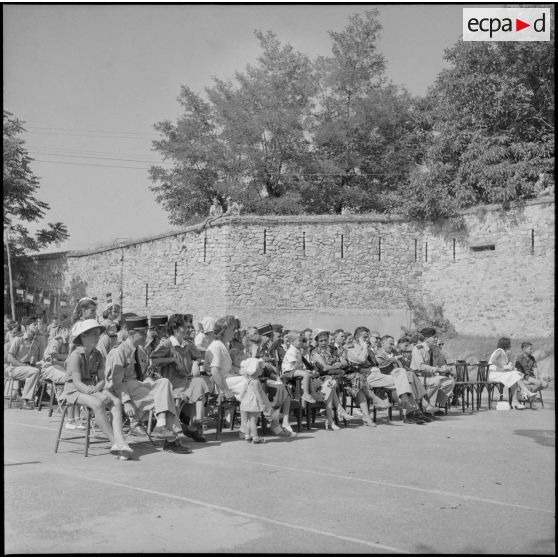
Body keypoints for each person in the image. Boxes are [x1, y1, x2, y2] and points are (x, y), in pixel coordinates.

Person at [105, 316, 191, 453]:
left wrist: (152, 380)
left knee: (164, 382)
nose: (147, 335)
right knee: (167, 399)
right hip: (123, 389)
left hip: (139, 386)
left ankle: (161, 425)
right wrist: (126, 402)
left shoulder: (141, 352)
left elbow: (143, 376)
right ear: (131, 333)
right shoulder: (118, 352)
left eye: (146, 332)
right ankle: (171, 440)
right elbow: (116, 382)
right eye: (142, 333)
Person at [62, 319, 133, 460]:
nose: (97, 337)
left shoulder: (97, 354)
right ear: (83, 337)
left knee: (116, 402)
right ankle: (115, 443)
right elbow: (77, 383)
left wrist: (98, 390)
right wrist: (97, 394)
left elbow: (101, 379)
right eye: (94, 334)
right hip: (74, 391)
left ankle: (121, 441)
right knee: (98, 403)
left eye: (98, 334)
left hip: (91, 387)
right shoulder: (75, 356)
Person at [347, 327, 426, 424]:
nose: (367, 340)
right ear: (356, 338)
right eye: (364, 337)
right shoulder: (351, 349)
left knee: (402, 374)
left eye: (367, 337)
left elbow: (378, 363)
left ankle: (409, 408)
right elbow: (362, 360)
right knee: (404, 381)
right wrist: (364, 348)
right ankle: (412, 411)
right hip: (366, 377)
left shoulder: (369, 349)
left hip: (378, 375)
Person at [150, 314, 209, 442]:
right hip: (172, 383)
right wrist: (171, 359)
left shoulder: (187, 344)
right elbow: (153, 360)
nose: (188, 328)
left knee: (199, 382)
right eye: (184, 326)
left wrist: (195, 363)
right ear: (176, 328)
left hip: (186, 380)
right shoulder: (167, 343)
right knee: (177, 398)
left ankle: (197, 422)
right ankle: (175, 433)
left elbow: (198, 357)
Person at [376, 334, 438, 418]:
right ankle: (421, 407)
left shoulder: (394, 352)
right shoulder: (378, 353)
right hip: (388, 377)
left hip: (400, 376)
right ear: (383, 343)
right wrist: (395, 359)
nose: (392, 346)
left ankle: (415, 411)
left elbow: (402, 364)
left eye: (392, 344)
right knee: (409, 378)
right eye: (390, 344)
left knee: (410, 377)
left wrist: (405, 365)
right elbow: (381, 365)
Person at [41, 318, 81, 428]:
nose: (73, 333)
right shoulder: (57, 340)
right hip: (49, 368)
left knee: (76, 378)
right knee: (69, 379)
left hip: (60, 367)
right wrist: (70, 356)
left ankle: (73, 411)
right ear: (64, 330)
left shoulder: (70, 343)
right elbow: (53, 356)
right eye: (71, 330)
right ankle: (66, 404)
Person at [310, 329, 354, 430]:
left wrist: (334, 365)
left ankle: (331, 420)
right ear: (317, 341)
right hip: (318, 379)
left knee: (330, 384)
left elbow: (342, 363)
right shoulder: (314, 352)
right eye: (321, 341)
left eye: (325, 340)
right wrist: (334, 366)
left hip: (331, 379)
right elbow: (323, 368)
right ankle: (339, 411)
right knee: (330, 383)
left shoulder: (333, 349)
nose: (324, 343)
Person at [410, 328, 456, 412]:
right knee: (435, 382)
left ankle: (431, 405)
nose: (436, 339)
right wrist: (438, 369)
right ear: (427, 338)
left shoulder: (436, 349)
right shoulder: (418, 348)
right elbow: (421, 367)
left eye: (437, 337)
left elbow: (442, 364)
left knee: (449, 382)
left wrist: (447, 369)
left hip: (431, 376)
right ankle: (427, 407)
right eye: (434, 337)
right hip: (419, 376)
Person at [488, 337, 537, 409]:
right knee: (515, 374)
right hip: (493, 374)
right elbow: (493, 360)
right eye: (509, 344)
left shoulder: (503, 352)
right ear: (506, 344)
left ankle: (515, 402)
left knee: (514, 378)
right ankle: (527, 392)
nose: (510, 345)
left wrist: (507, 367)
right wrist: (504, 367)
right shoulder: (500, 351)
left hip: (498, 373)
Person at [6, 316, 42, 409]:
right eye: (34, 324)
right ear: (27, 327)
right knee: (34, 371)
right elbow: (10, 358)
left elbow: (35, 360)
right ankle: (25, 399)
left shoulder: (37, 342)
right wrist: (24, 365)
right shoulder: (18, 339)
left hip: (27, 367)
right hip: (14, 369)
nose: (37, 326)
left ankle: (42, 394)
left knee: (45, 368)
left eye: (37, 324)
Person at [239, 358, 271, 443]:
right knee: (254, 420)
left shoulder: (247, 380)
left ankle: (247, 435)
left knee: (249, 420)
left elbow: (242, 391)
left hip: (246, 402)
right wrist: (262, 403)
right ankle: (255, 437)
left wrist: (242, 400)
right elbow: (258, 393)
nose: (262, 370)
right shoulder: (256, 381)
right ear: (254, 369)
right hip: (254, 403)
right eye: (260, 368)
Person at [281, 331, 316, 405]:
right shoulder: (292, 351)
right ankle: (306, 394)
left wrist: (305, 370)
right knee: (306, 374)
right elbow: (295, 365)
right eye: (299, 340)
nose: (301, 342)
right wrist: (304, 370)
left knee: (309, 374)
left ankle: (311, 394)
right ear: (292, 342)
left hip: (294, 370)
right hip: (288, 371)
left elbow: (299, 366)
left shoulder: (297, 350)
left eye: (301, 340)